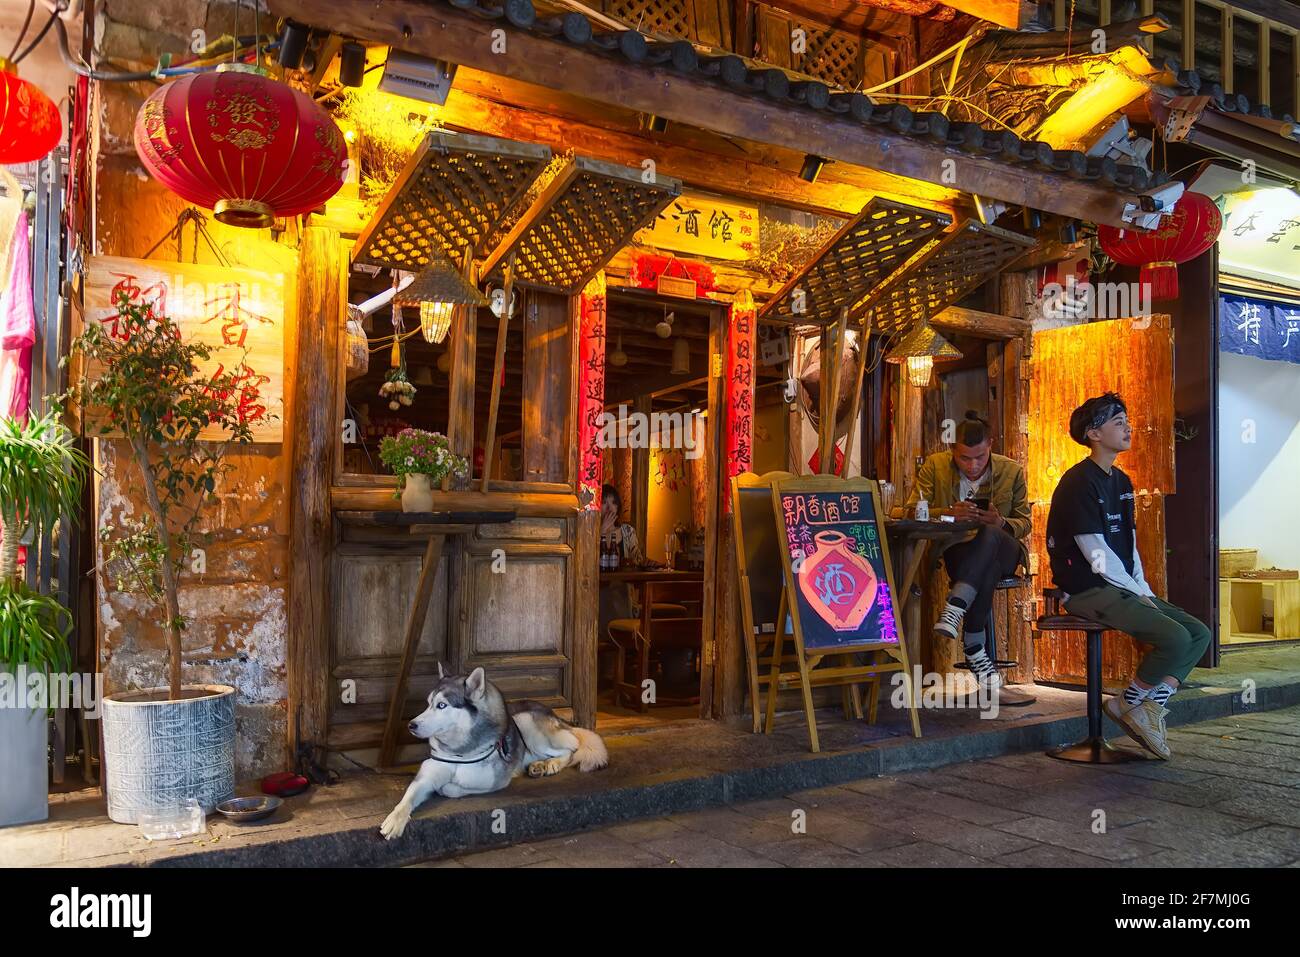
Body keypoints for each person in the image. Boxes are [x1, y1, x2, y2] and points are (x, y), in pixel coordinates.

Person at [1045, 392, 1211, 759]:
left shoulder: (1120, 481)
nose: (1128, 428)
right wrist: (1136, 592)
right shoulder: (1077, 483)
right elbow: (1098, 555)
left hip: (1120, 584)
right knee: (1174, 636)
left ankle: (1141, 706)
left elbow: (1128, 545)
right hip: (1088, 588)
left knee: (1200, 634)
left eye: (1127, 420)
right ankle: (1130, 706)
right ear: (1094, 433)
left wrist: (1144, 590)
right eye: (1118, 422)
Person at [905, 411, 1032, 697]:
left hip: (1006, 548)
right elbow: (910, 509)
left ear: (991, 444)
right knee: (983, 567)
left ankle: (955, 609)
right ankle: (974, 644)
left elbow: (1024, 522)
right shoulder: (935, 467)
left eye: (980, 457)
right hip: (959, 549)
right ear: (952, 450)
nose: (973, 465)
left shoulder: (1011, 470)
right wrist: (948, 515)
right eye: (964, 458)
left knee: (989, 535)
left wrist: (1000, 522)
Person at [598, 484, 645, 641]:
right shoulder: (590, 530)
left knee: (619, 595)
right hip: (597, 590)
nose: (610, 508)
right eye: (605, 502)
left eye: (614, 502)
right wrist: (601, 533)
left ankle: (623, 644)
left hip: (623, 591)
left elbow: (638, 560)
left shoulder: (627, 531)